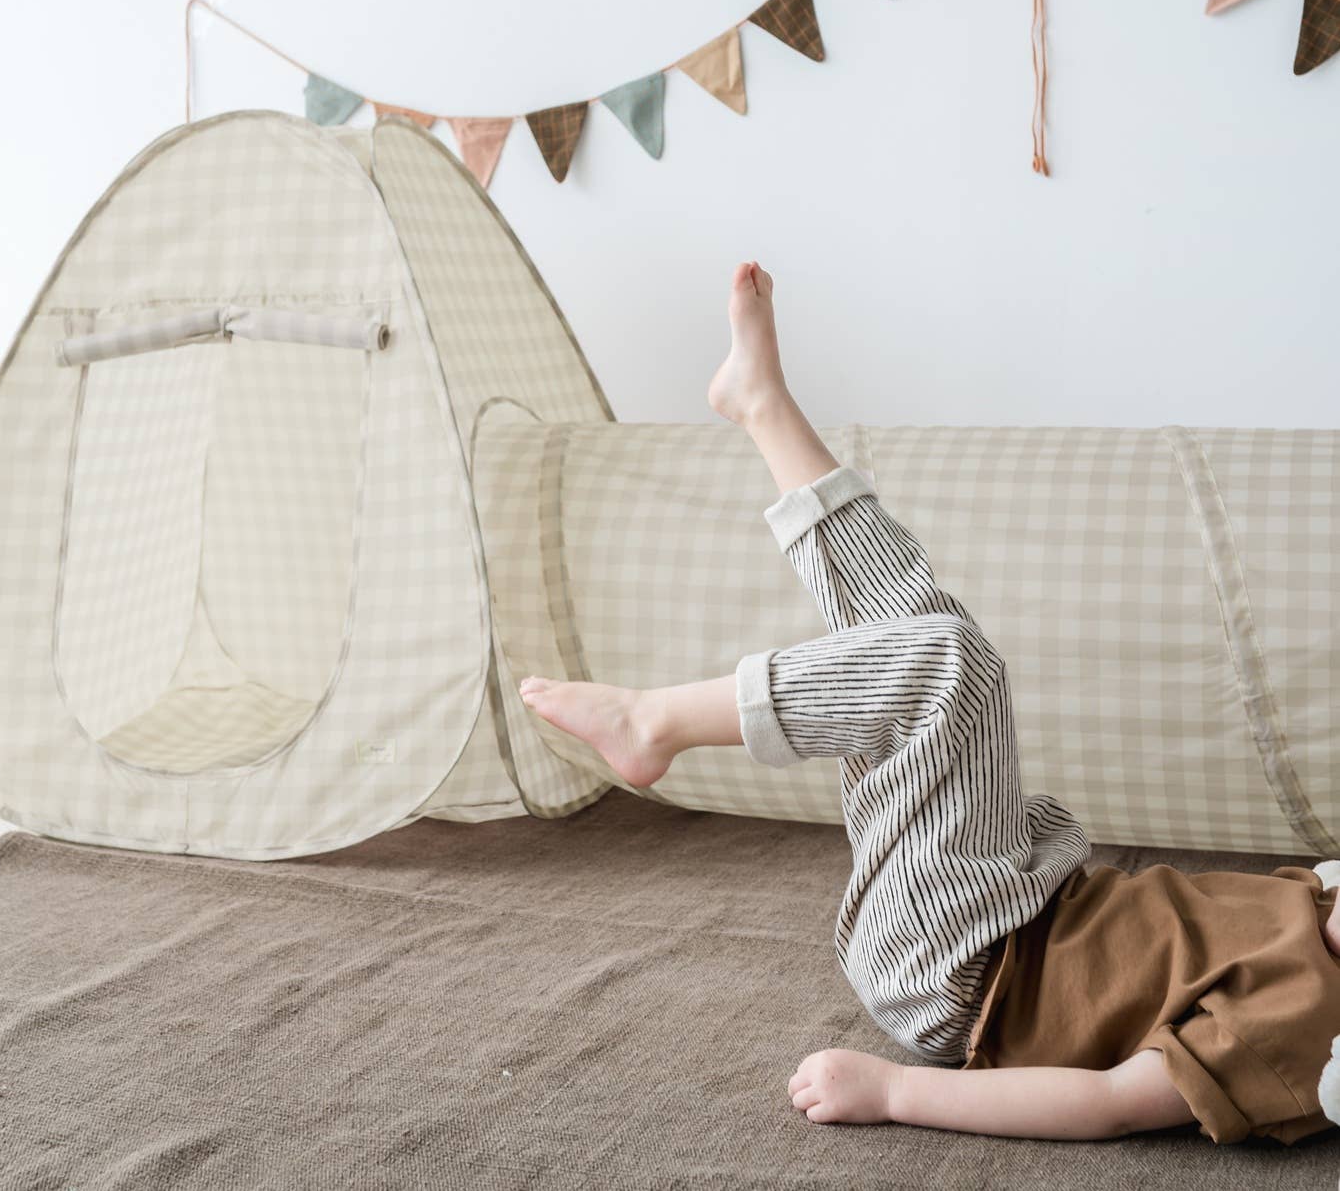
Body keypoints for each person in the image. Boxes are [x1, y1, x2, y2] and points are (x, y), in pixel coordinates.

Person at [517, 261, 1340, 1145]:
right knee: (921, 629)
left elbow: (1109, 1102)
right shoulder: (1322, 907)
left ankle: (654, 725)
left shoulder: (1305, 1029)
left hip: (961, 971)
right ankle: (761, 406)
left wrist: (895, 1092)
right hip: (1015, 889)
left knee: (954, 669)